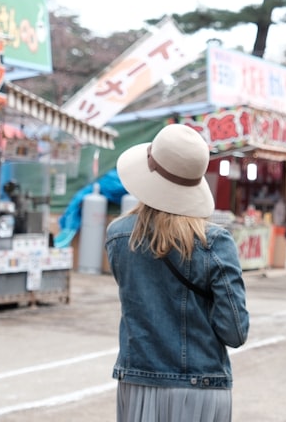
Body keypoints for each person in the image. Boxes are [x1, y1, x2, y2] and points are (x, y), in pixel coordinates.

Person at [106, 124, 250, 421]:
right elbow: (235, 332)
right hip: (200, 385)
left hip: (137, 380)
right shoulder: (215, 242)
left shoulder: (118, 236)